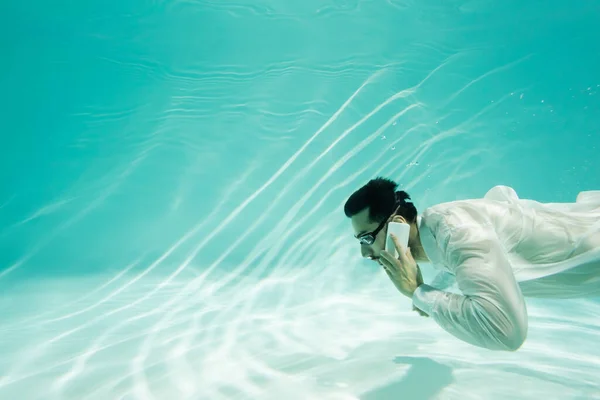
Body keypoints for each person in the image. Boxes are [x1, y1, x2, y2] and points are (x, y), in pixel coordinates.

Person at [344, 177, 600, 351]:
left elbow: (506, 332)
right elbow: (457, 265)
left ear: (398, 224)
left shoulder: (458, 231)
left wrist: (419, 292)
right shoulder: (442, 232)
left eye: (367, 238)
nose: (365, 253)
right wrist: (431, 293)